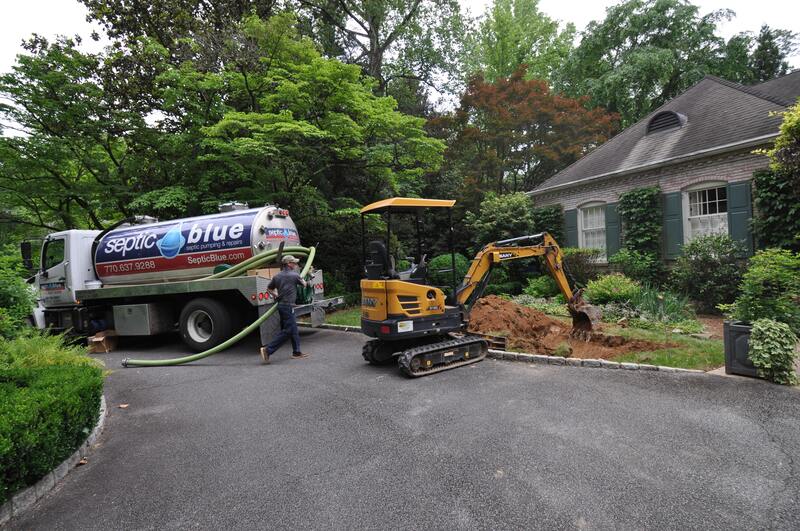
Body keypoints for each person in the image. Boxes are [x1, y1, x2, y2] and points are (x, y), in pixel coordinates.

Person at [260, 255, 309, 363]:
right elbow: (304, 285)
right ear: (288, 264)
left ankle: (297, 352)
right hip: (288, 306)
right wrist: (307, 280)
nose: (296, 265)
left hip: (282, 306)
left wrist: (275, 295)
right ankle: (268, 350)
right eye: (294, 263)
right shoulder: (294, 275)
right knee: (288, 330)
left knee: (293, 328)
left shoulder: (277, 276)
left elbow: (269, 288)